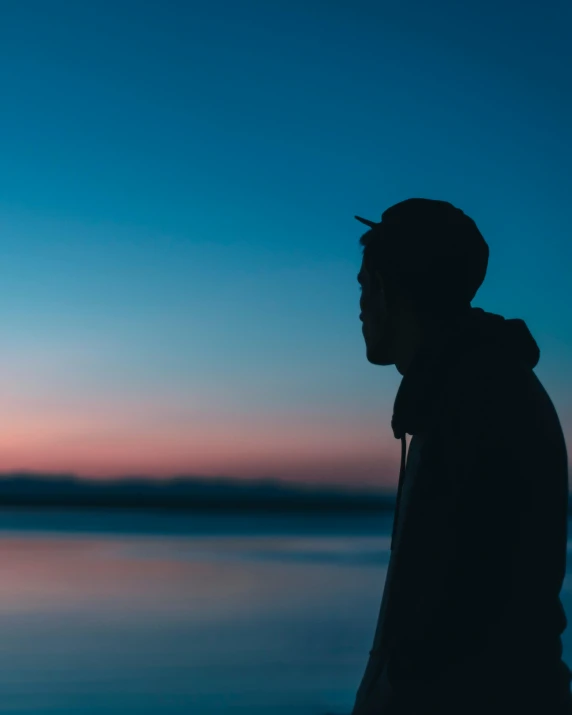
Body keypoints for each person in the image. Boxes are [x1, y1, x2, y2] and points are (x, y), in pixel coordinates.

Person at [350, 198, 572, 714]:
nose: (359, 306)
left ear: (386, 287)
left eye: (363, 285)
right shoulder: (464, 387)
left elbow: (452, 618)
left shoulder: (474, 402)